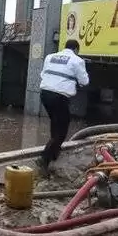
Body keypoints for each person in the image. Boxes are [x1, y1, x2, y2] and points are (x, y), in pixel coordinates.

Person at [37, 39, 90, 178]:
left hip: (44, 94)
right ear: (76, 50)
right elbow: (84, 82)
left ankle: (54, 153)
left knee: (55, 122)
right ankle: (44, 158)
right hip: (59, 97)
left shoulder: (50, 57)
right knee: (62, 128)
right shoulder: (77, 60)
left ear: (64, 47)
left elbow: (43, 75)